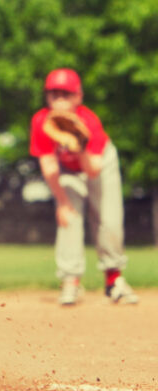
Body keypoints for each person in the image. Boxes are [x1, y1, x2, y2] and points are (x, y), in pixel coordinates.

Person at [29, 68, 138, 306]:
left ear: (78, 96)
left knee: (108, 219)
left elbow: (93, 170)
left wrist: (79, 146)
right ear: (47, 97)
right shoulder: (41, 122)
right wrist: (62, 202)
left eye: (65, 94)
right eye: (54, 93)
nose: (59, 99)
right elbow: (48, 165)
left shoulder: (89, 121)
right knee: (68, 218)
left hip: (98, 163)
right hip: (67, 172)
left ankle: (114, 280)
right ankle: (71, 282)